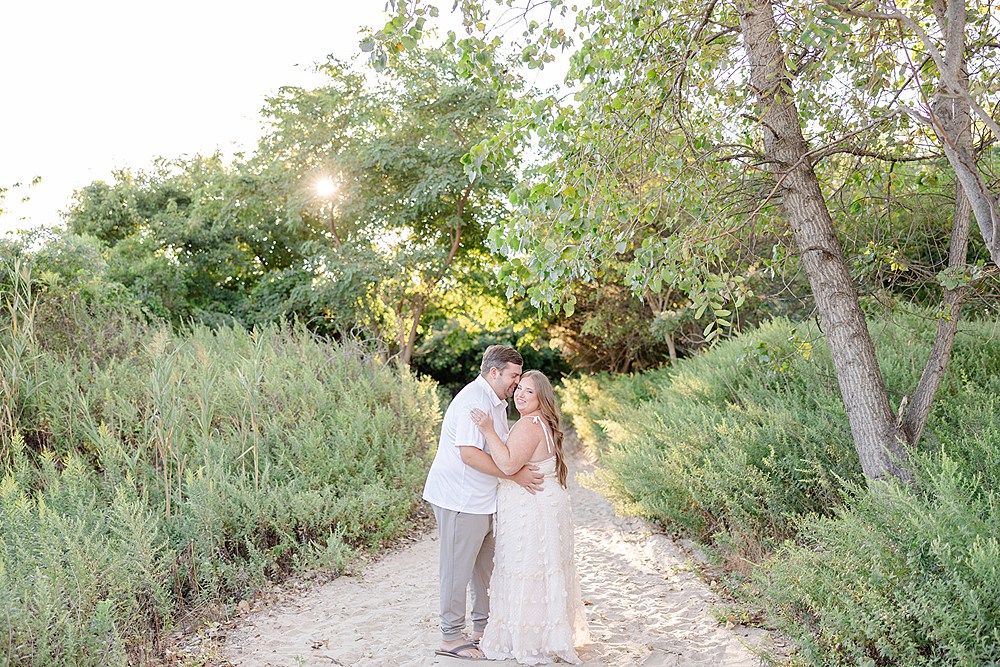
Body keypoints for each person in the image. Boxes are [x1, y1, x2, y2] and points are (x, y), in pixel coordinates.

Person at [423, 345, 545, 661]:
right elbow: (469, 454)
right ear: (494, 372)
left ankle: (482, 629)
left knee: (484, 569)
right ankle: (450, 636)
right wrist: (515, 475)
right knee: (456, 569)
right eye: (513, 376)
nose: (517, 383)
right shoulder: (473, 401)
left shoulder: (496, 403)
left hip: (484, 500)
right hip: (459, 499)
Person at [471, 370, 590, 665]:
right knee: (543, 566)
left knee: (526, 566)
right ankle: (548, 634)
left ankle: (529, 639)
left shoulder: (528, 423)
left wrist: (487, 429)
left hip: (531, 509)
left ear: (541, 398)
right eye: (519, 388)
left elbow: (510, 464)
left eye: (528, 392)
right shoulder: (546, 422)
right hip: (547, 504)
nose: (520, 395)